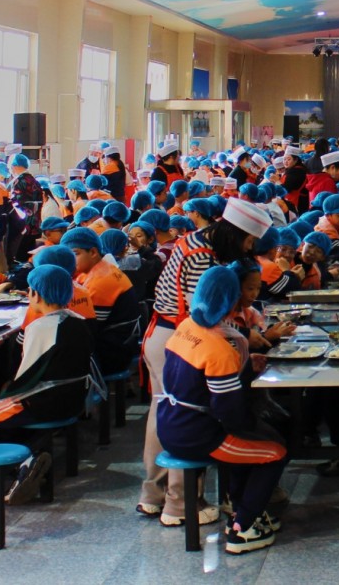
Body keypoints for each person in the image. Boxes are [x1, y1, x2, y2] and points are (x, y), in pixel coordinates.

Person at [138, 198, 272, 527]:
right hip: (181, 337)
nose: (248, 248)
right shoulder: (202, 257)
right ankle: (181, 503)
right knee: (186, 412)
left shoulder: (197, 240)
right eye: (248, 241)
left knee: (164, 411)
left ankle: (153, 496)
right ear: (235, 233)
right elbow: (207, 311)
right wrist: (245, 336)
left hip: (170, 335)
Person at [158, 265, 289, 554]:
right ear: (231, 300)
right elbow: (230, 413)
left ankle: (242, 510)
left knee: (256, 442)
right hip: (197, 434)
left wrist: (244, 367)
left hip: (170, 421)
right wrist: (255, 427)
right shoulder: (219, 347)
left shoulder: (186, 327)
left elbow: (195, 382)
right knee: (274, 452)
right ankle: (243, 528)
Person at [0, 265, 94, 504]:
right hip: (75, 399)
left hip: (43, 402)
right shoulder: (79, 320)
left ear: (36, 294)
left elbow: (24, 377)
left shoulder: (41, 328)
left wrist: (2, 395)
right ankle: (28, 455)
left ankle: (20, 463)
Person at [60, 228, 142, 376]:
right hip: (117, 343)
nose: (69, 260)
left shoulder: (101, 280)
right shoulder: (98, 269)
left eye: (75, 254)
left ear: (93, 252)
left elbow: (87, 330)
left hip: (112, 354)